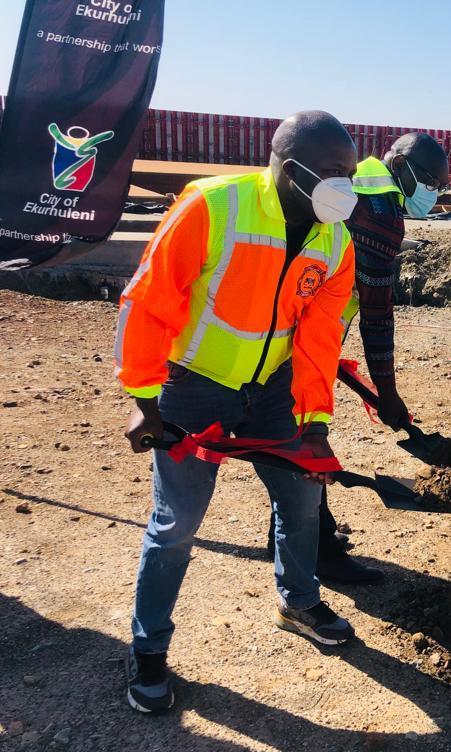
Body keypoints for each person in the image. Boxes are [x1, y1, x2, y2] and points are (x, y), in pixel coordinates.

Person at [115, 111, 359, 714]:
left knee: (302, 498)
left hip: (273, 391)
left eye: (349, 174)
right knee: (177, 524)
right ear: (287, 165)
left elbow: (321, 335)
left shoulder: (335, 239)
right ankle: (148, 651)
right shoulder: (213, 206)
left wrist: (315, 418)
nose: (344, 186)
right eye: (333, 172)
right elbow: (147, 301)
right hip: (192, 389)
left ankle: (298, 601)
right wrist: (145, 402)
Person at [266, 132, 451, 585]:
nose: (432, 192)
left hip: (284, 320)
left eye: (440, 186)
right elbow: (376, 311)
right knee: (306, 440)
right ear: (400, 163)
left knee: (288, 436)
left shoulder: (358, 179)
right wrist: (387, 393)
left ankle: (287, 537)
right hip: (303, 334)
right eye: (429, 181)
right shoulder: (383, 211)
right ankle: (318, 551)